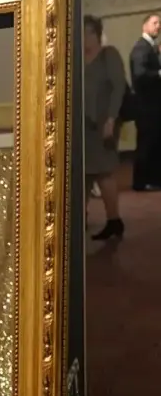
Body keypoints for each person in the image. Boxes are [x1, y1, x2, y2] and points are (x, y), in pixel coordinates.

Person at [83, 15, 127, 239]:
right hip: (82, 126)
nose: (84, 38)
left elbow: (119, 87)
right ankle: (80, 218)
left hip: (104, 124)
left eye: (88, 33)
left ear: (96, 34)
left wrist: (111, 119)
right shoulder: (75, 59)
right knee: (82, 174)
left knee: (104, 171)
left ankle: (114, 220)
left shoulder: (108, 55)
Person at [130, 13, 161, 192]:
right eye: (155, 23)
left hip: (151, 106)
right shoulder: (141, 48)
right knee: (146, 144)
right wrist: (159, 74)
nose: (158, 26)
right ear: (145, 26)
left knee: (153, 143)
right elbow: (140, 75)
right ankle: (141, 182)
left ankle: (151, 180)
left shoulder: (149, 47)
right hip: (146, 107)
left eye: (159, 23)